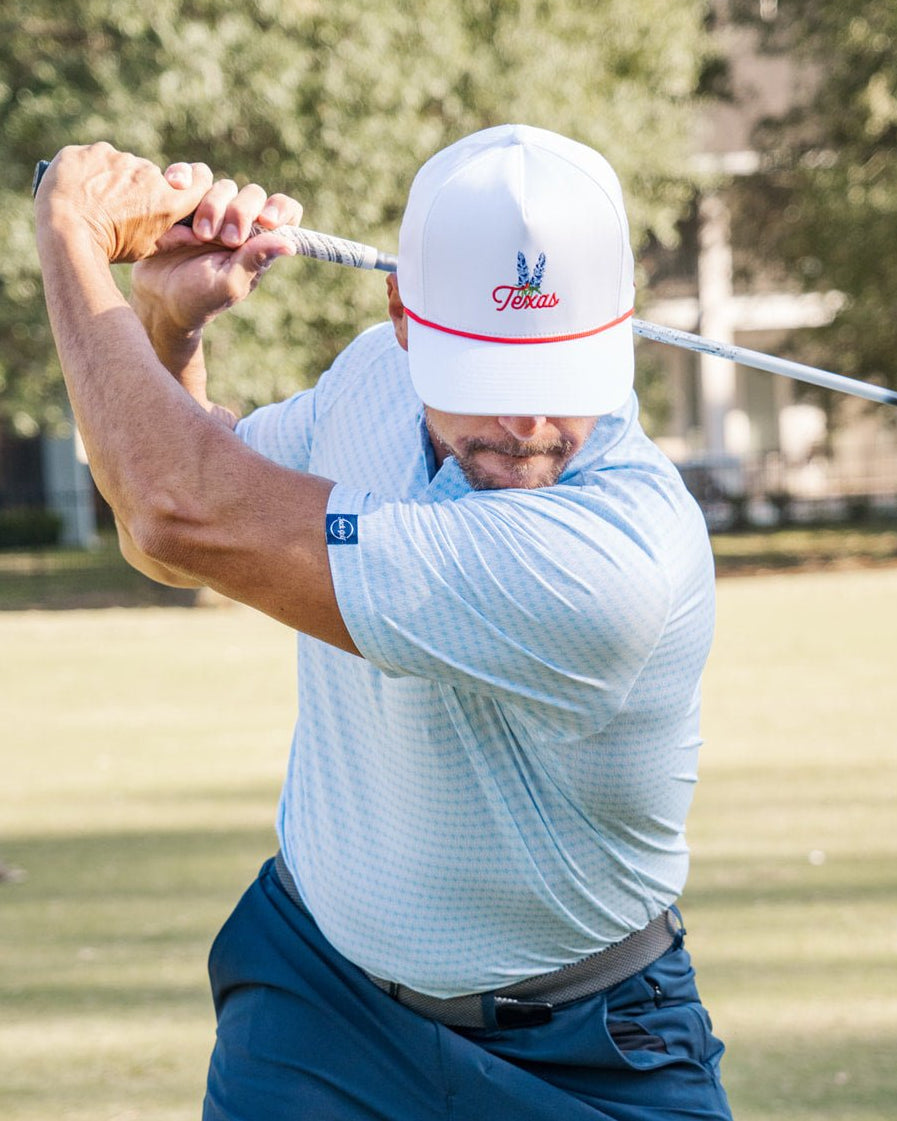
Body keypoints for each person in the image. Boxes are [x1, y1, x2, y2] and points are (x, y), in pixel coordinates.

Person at [34, 125, 731, 1121]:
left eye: (561, 376)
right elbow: (170, 537)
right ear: (404, 317)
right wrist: (165, 329)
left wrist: (69, 230)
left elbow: (175, 506)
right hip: (319, 1003)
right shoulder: (367, 381)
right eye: (488, 376)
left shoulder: (617, 556)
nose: (528, 425)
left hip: (590, 1047)